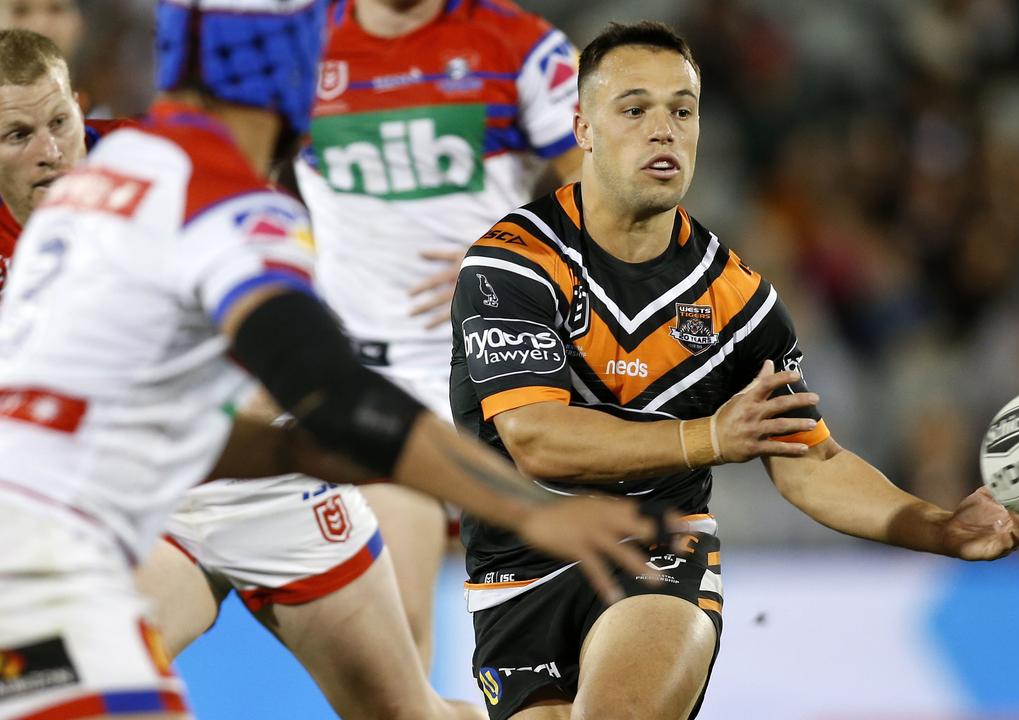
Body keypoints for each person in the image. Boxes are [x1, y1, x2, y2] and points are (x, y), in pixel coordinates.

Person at [0, 5, 659, 719]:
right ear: (290, 78)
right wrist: (525, 508)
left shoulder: (104, 184)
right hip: (61, 563)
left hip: (178, 502)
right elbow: (332, 392)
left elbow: (134, 423)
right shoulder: (224, 203)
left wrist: (295, 449)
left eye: (57, 123)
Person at [449, 21, 1019, 720]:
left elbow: (810, 462)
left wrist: (938, 527)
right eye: (634, 109)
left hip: (657, 557)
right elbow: (537, 438)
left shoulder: (738, 300)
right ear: (581, 126)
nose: (663, 130)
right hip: (515, 573)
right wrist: (709, 438)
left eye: (682, 110)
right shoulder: (512, 264)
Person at [290, 0, 583, 679]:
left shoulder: (519, 45)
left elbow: (610, 191)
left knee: (543, 655)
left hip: (506, 373)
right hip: (372, 385)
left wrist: (513, 255)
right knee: (395, 638)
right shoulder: (299, 42)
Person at [0, 28, 125, 302]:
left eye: (59, 122)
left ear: (79, 110)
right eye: (19, 135)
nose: (51, 152)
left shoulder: (150, 158)